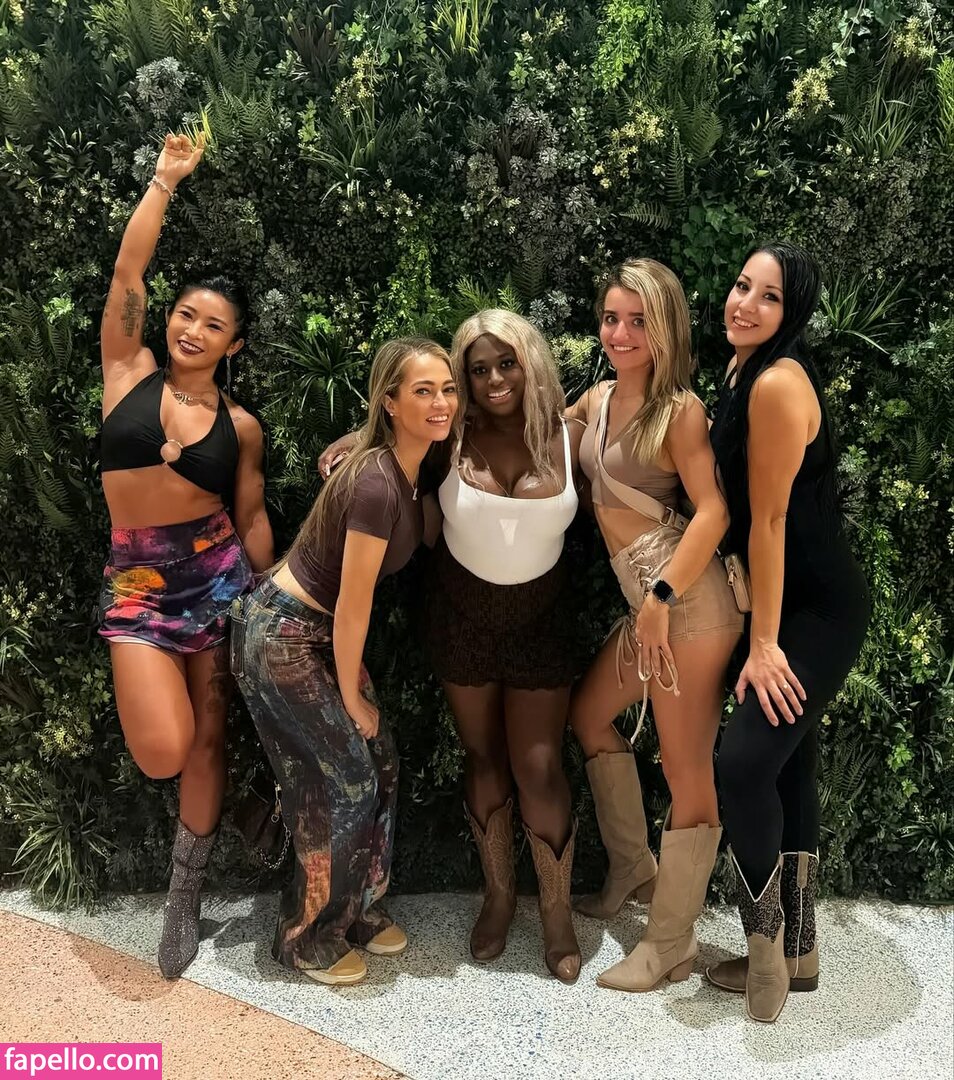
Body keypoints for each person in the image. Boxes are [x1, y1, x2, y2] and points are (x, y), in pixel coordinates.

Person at [320, 310, 585, 983]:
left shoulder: (571, 429)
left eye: (507, 362)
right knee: (483, 756)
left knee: (539, 765)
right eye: (479, 368)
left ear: (530, 362)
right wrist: (352, 441)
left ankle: (557, 913)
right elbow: (394, 436)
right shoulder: (451, 436)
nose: (494, 378)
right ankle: (498, 897)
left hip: (542, 621)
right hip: (462, 618)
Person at [98, 134, 273, 978]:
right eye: (186, 315)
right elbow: (128, 274)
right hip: (136, 585)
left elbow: (251, 517)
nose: (194, 330)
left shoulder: (240, 427)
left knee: (206, 743)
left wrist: (269, 600)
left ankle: (183, 897)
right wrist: (164, 181)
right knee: (162, 749)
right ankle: (221, 830)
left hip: (217, 583)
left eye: (214, 325)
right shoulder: (125, 368)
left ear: (234, 344)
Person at [232, 337, 458, 986]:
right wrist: (354, 698)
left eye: (447, 389)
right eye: (423, 391)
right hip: (282, 636)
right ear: (389, 401)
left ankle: (355, 908)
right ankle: (307, 936)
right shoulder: (376, 484)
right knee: (346, 780)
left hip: (316, 633)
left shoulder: (403, 463)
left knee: (379, 760)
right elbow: (354, 605)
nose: (441, 402)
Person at [566, 258, 743, 992]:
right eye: (611, 318)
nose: (620, 333)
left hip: (686, 607)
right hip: (646, 606)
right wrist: (374, 433)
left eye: (638, 321)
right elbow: (523, 426)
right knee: (588, 715)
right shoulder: (598, 397)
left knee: (685, 768)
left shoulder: (681, 412)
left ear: (665, 327)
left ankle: (670, 944)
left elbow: (714, 511)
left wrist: (662, 596)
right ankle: (634, 868)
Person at [705, 242, 870, 1023]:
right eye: (743, 285)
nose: (746, 303)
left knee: (741, 765)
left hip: (815, 611)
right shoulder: (741, 369)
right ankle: (799, 954)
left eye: (768, 296)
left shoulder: (775, 383)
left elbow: (767, 522)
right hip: (779, 603)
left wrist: (765, 644)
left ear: (792, 311)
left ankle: (766, 951)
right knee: (784, 763)